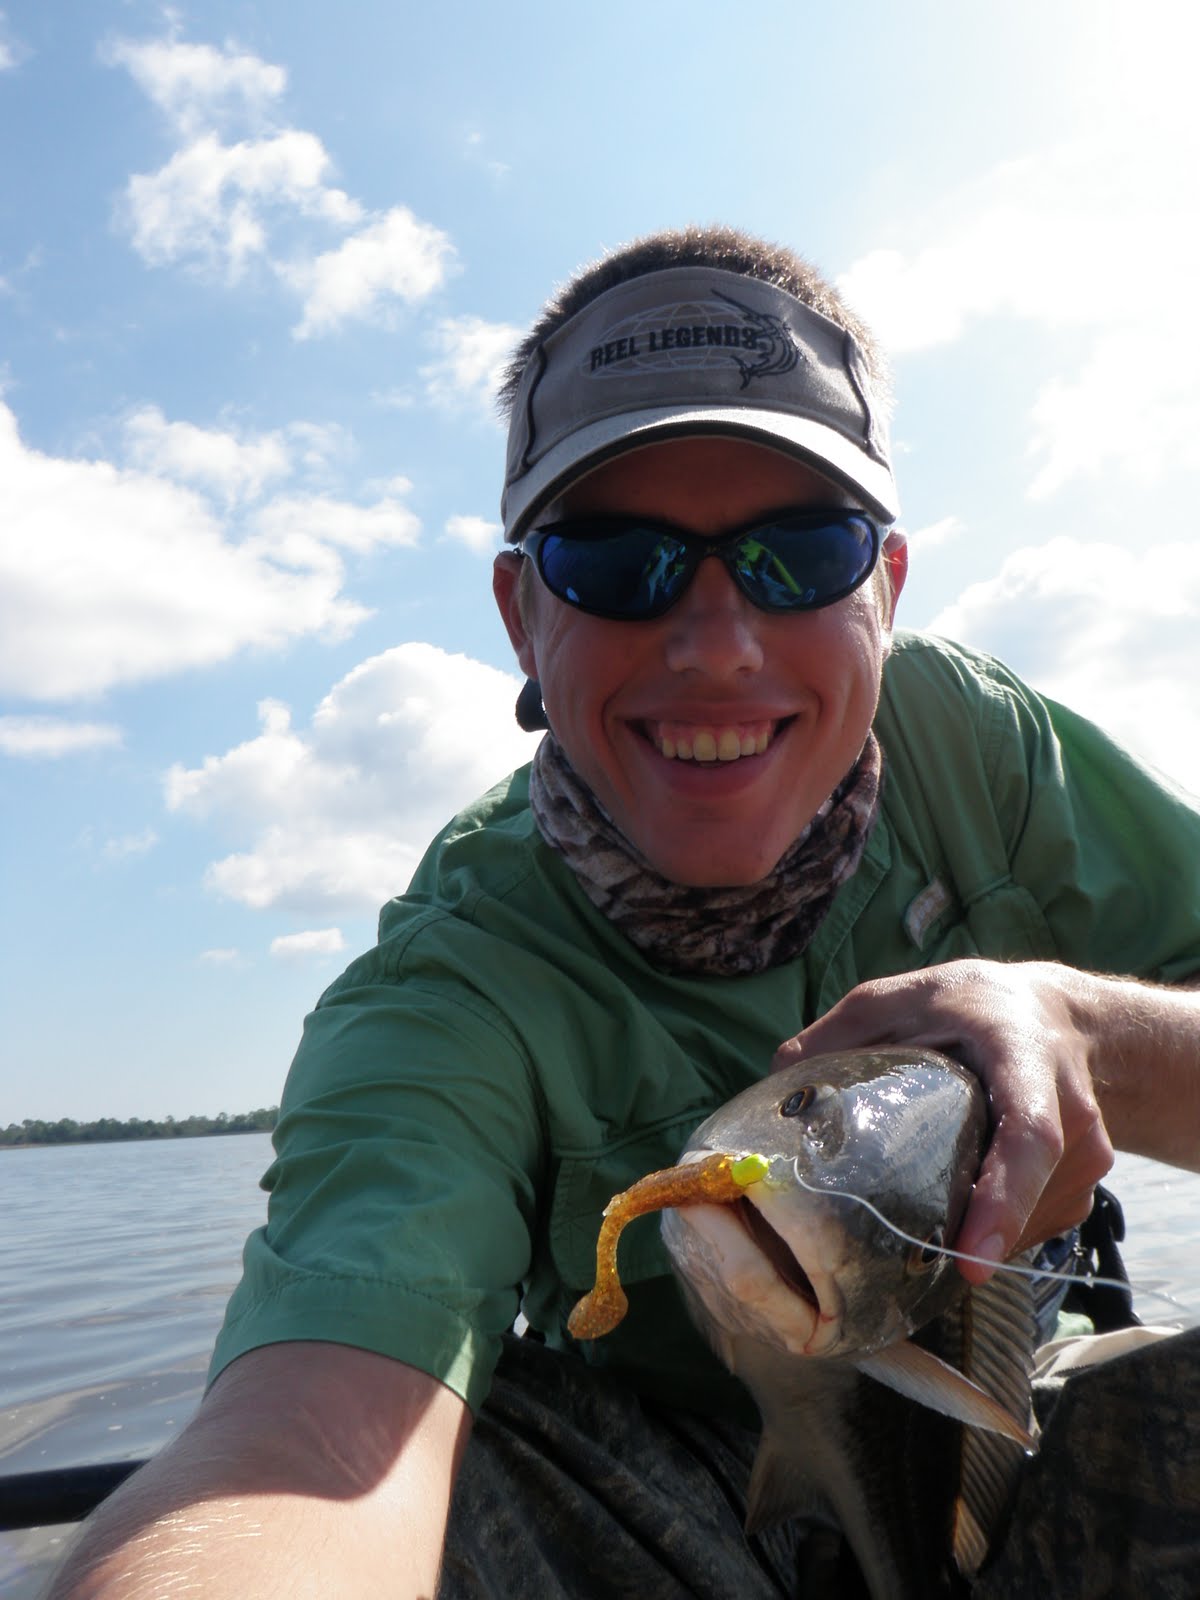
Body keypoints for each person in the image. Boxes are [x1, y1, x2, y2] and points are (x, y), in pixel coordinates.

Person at [47, 225, 1200, 1599]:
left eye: (801, 551)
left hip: (1022, 1423)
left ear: (887, 590)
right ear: (521, 613)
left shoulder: (989, 756)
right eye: (615, 559)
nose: (717, 642)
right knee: (457, 1473)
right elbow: (308, 1440)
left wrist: (1096, 1035)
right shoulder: (451, 985)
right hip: (670, 1513)